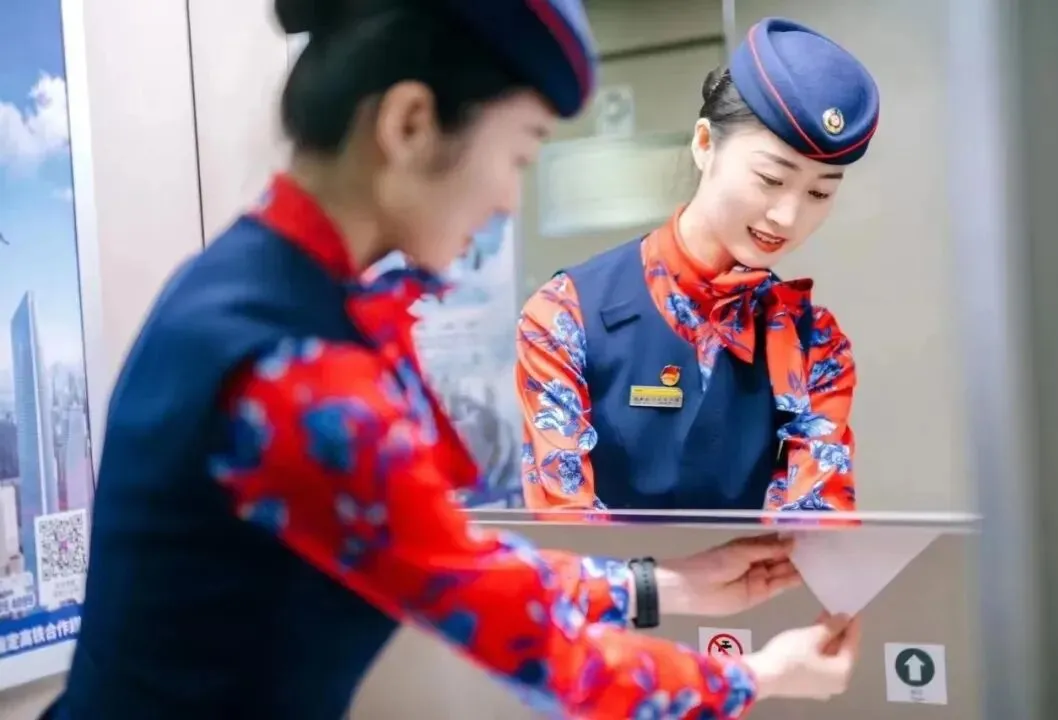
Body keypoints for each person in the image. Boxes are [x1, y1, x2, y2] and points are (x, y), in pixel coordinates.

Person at [46, 3, 860, 719]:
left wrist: (670, 585)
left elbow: (464, 561)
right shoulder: (292, 366)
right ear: (409, 124)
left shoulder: (260, 291)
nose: (510, 198)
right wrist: (756, 676)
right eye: (518, 154)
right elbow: (522, 633)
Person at [516, 17, 877, 513]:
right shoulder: (565, 315)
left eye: (819, 193)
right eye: (771, 179)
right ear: (705, 144)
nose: (788, 216)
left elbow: (813, 536)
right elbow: (564, 525)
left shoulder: (815, 346)